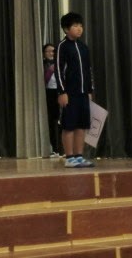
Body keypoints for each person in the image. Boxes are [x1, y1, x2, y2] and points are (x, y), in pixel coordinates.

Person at [54, 12, 95, 168]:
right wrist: (62, 92)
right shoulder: (62, 47)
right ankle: (69, 157)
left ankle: (79, 156)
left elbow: (88, 70)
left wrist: (89, 90)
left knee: (82, 125)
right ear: (66, 29)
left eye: (81, 26)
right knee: (69, 125)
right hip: (69, 94)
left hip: (83, 93)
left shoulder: (84, 47)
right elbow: (58, 71)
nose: (79, 29)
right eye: (75, 26)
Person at [43, 43, 61, 158]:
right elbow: (42, 81)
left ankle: (63, 149)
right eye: (48, 51)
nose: (51, 53)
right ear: (44, 54)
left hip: (60, 93)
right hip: (49, 93)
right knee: (51, 121)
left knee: (61, 121)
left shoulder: (60, 63)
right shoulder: (42, 65)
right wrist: (50, 71)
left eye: (53, 51)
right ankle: (54, 148)